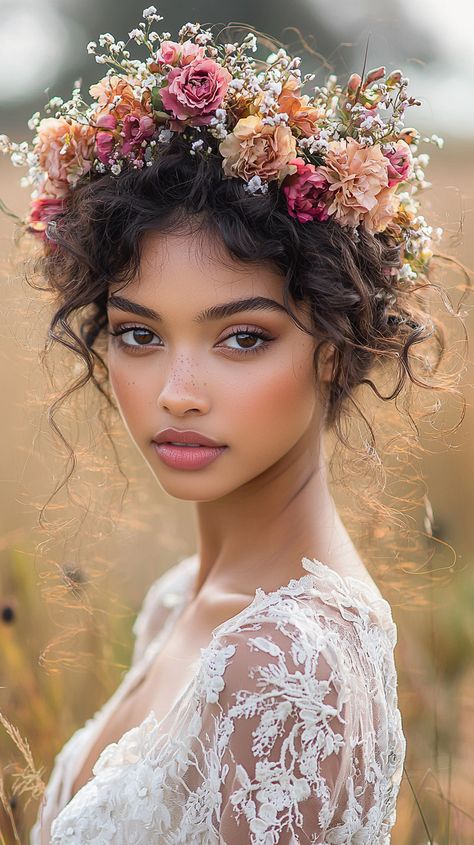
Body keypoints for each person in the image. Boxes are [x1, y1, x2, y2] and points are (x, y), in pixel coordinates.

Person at [0, 7, 468, 844]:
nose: (178, 392)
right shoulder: (182, 599)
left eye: (242, 337)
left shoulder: (289, 665)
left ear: (333, 345)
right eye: (138, 334)